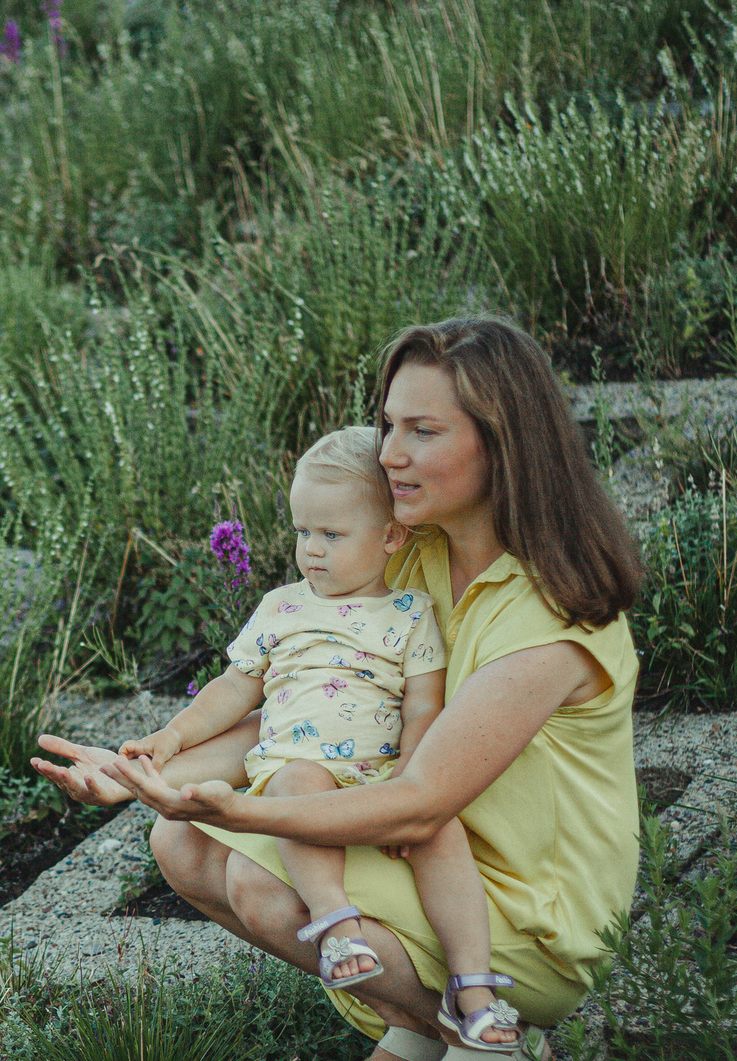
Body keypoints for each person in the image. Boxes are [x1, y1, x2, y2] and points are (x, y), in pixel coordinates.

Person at [34, 316, 642, 1061]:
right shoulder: (413, 557)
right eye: (388, 424)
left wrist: (247, 813)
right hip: (422, 851)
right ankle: (420, 1026)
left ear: (503, 442)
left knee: (260, 876)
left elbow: (420, 802)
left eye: (422, 431)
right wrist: (144, 765)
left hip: (523, 910)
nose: (389, 453)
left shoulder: (551, 615)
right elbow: (315, 713)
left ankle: (493, 1052)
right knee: (177, 840)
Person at [117, 427, 493, 1013]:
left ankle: (476, 984)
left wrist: (405, 781)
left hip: (381, 779)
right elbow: (234, 687)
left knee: (441, 833)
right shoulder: (283, 606)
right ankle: (335, 921)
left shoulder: (409, 613)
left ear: (391, 536)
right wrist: (172, 736)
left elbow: (424, 706)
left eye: (332, 535)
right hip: (301, 776)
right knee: (298, 780)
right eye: (302, 532)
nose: (311, 549)